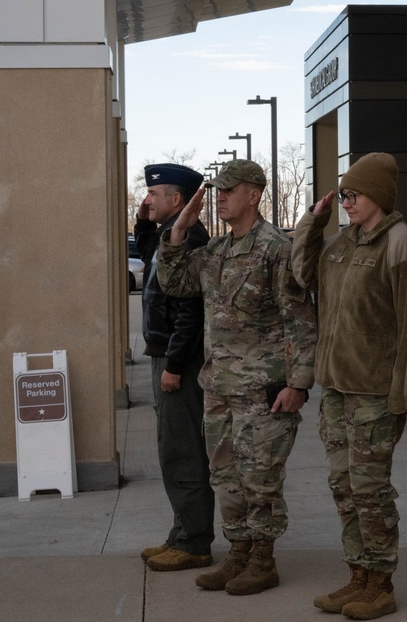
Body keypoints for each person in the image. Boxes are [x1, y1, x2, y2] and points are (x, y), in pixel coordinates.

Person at [156, 159, 317, 596]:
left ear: (254, 194)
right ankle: (238, 555)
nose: (220, 197)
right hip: (220, 387)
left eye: (229, 190)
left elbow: (300, 319)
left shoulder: (276, 250)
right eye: (218, 191)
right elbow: (174, 282)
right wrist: (178, 232)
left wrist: (298, 383)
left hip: (263, 390)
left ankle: (263, 560)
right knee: (225, 476)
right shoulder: (217, 252)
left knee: (260, 476)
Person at [291, 153, 407, 620]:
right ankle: (357, 575)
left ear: (379, 196)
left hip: (375, 392)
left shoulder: (399, 241)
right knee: (343, 485)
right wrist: (312, 225)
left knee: (370, 490)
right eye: (344, 195)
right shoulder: (340, 243)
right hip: (335, 387)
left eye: (353, 195)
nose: (346, 202)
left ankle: (381, 583)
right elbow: (300, 275)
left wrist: (403, 393)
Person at [134, 163, 216, 572]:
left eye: (154, 194)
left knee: (182, 449)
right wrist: (143, 220)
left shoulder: (190, 240)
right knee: (173, 447)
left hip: (177, 358)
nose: (147, 198)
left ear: (178, 200)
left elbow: (189, 311)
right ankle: (181, 533)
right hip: (164, 353)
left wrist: (176, 366)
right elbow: (148, 256)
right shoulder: (169, 236)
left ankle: (194, 542)